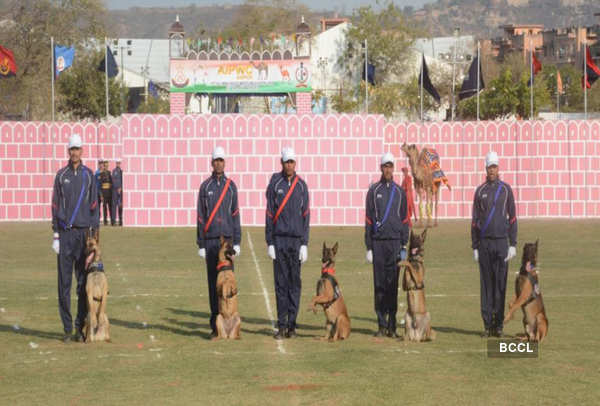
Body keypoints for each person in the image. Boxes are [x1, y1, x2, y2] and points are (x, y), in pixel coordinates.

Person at [51, 134, 99, 343]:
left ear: (82, 151)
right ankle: (67, 328)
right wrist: (55, 235)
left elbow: (95, 208)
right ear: (68, 151)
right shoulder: (61, 176)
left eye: (77, 149)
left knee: (81, 283)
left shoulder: (89, 176)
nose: (75, 152)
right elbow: (54, 206)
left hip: (82, 236)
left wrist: (94, 241)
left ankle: (80, 327)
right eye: (72, 149)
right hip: (65, 234)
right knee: (64, 284)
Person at [471, 151, 517, 338]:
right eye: (490, 167)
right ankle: (487, 325)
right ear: (485, 168)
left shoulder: (506, 190)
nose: (492, 170)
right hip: (484, 244)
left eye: (495, 166)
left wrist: (513, 244)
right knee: (486, 285)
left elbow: (513, 217)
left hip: (501, 243)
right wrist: (474, 246)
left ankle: (498, 326)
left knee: (500, 284)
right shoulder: (480, 191)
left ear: (498, 168)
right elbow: (474, 221)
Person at [197, 146, 241, 338]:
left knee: (229, 284)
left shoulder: (231, 186)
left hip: (228, 242)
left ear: (225, 162)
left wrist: (237, 241)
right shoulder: (205, 187)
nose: (219, 163)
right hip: (211, 240)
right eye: (216, 160)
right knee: (212, 285)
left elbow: (236, 214)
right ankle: (216, 325)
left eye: (221, 160)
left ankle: (230, 321)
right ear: (211, 162)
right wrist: (201, 243)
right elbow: (200, 216)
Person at [265, 148, 310, 339]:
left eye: (292, 162)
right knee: (280, 285)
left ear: (295, 163)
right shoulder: (275, 184)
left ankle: (292, 324)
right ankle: (282, 325)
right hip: (280, 240)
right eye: (286, 162)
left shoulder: (301, 186)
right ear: (281, 163)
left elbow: (306, 215)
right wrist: (270, 242)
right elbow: (269, 214)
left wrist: (304, 243)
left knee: (295, 284)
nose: (289, 165)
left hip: (295, 241)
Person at [365, 153, 409, 338]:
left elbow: (405, 220)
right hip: (379, 244)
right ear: (381, 168)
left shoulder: (400, 192)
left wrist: (404, 245)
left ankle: (392, 325)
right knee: (379, 285)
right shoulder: (374, 191)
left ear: (393, 168)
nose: (388, 169)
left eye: (390, 166)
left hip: (395, 244)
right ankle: (381, 324)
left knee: (393, 285)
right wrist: (369, 247)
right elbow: (368, 220)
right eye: (385, 166)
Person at [98, 160, 113, 225]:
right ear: (103, 166)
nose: (106, 167)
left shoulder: (109, 173)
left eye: (107, 166)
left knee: (110, 207)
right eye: (105, 166)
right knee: (104, 208)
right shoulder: (101, 174)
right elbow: (100, 185)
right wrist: (101, 195)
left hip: (109, 192)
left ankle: (112, 221)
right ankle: (105, 221)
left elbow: (111, 183)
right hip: (104, 192)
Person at [111, 159, 123, 226]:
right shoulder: (114, 171)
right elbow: (113, 180)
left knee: (120, 206)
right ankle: (113, 221)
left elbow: (122, 181)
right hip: (115, 190)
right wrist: (117, 187)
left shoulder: (121, 171)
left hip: (120, 191)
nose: (118, 164)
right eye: (117, 163)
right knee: (114, 206)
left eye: (119, 163)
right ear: (116, 163)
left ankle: (121, 220)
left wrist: (120, 187)